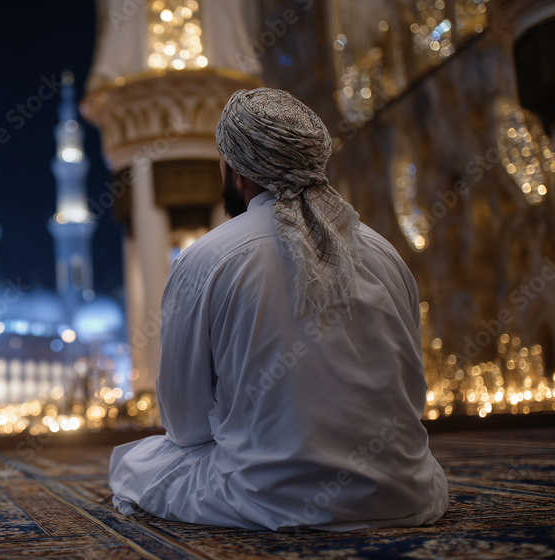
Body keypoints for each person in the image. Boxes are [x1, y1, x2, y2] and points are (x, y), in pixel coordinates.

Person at [109, 88, 448, 531]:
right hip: (405, 493)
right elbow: (412, 395)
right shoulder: (384, 252)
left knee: (137, 461)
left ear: (237, 173)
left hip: (268, 500)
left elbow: (186, 425)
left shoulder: (206, 257)